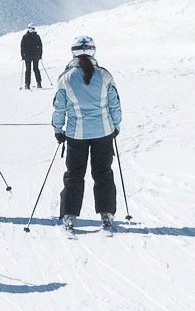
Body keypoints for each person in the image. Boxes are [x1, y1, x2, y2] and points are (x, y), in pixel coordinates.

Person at [51, 36, 121, 232]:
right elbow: (114, 103)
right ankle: (107, 213)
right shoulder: (104, 75)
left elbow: (59, 108)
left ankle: (69, 215)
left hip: (76, 134)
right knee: (103, 172)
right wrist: (115, 126)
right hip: (103, 132)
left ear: (73, 52)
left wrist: (58, 130)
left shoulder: (65, 77)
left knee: (74, 174)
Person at [20, 25, 44, 89]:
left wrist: (23, 55)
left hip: (27, 56)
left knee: (28, 70)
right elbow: (40, 46)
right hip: (36, 55)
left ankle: (27, 84)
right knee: (36, 69)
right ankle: (39, 83)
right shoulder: (37, 36)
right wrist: (40, 55)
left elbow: (22, 47)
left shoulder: (25, 37)